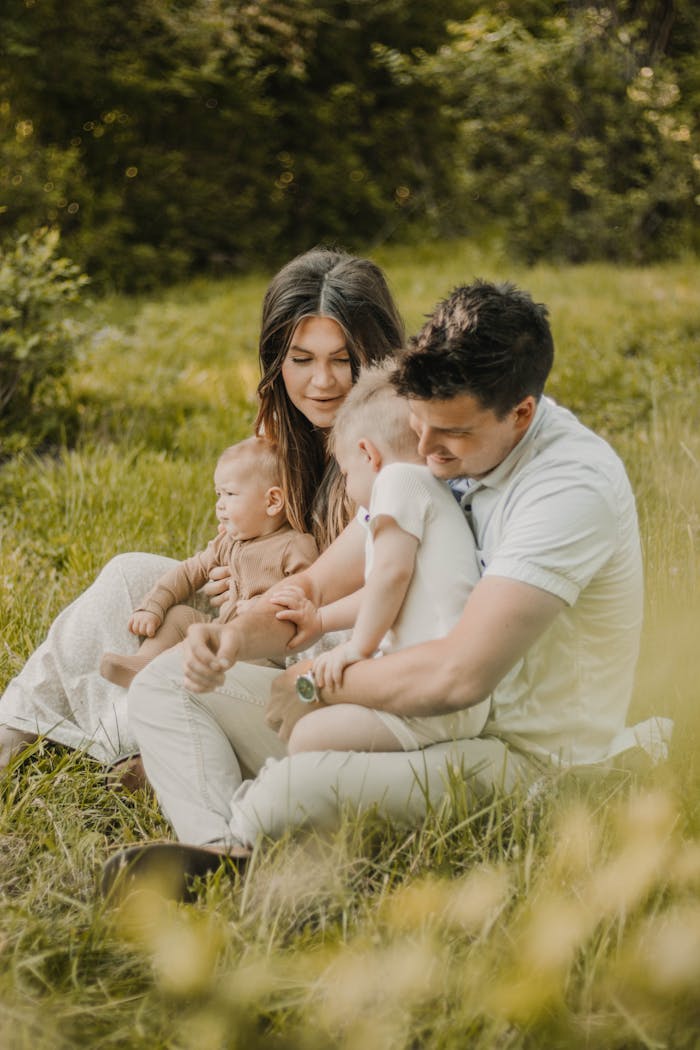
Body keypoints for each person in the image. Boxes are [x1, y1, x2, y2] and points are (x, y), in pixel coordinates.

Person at [104, 278, 670, 897]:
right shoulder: (446, 436)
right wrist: (231, 636)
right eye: (419, 427)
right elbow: (315, 588)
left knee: (299, 787)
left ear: (522, 415)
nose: (424, 452)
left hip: (513, 755)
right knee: (166, 684)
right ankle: (221, 852)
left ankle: (236, 835)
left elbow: (457, 677)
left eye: (448, 435)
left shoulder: (567, 491)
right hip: (399, 716)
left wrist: (309, 686)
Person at [0, 247, 405, 773]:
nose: (321, 382)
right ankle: (16, 727)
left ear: (374, 354)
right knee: (130, 575)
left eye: (342, 359)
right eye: (301, 360)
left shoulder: (398, 437)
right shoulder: (283, 432)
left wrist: (271, 603)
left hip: (336, 638)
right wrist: (236, 569)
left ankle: (149, 741)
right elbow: (243, 535)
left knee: (317, 648)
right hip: (260, 615)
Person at [284, 363, 490, 755]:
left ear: (368, 454)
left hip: (429, 692)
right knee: (311, 721)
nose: (346, 487)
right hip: (444, 696)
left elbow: (390, 576)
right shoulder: (427, 489)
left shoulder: (397, 481)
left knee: (308, 736)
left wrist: (356, 650)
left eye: (345, 472)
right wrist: (322, 620)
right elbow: (386, 589)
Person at [99, 437, 319, 690]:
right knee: (180, 617)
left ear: (272, 502)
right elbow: (189, 571)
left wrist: (265, 606)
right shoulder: (230, 541)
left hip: (264, 650)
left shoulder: (294, 546)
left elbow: (309, 593)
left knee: (209, 649)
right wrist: (153, 606)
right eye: (218, 494)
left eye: (230, 494)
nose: (219, 505)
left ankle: (158, 676)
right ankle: (144, 663)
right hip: (223, 631)